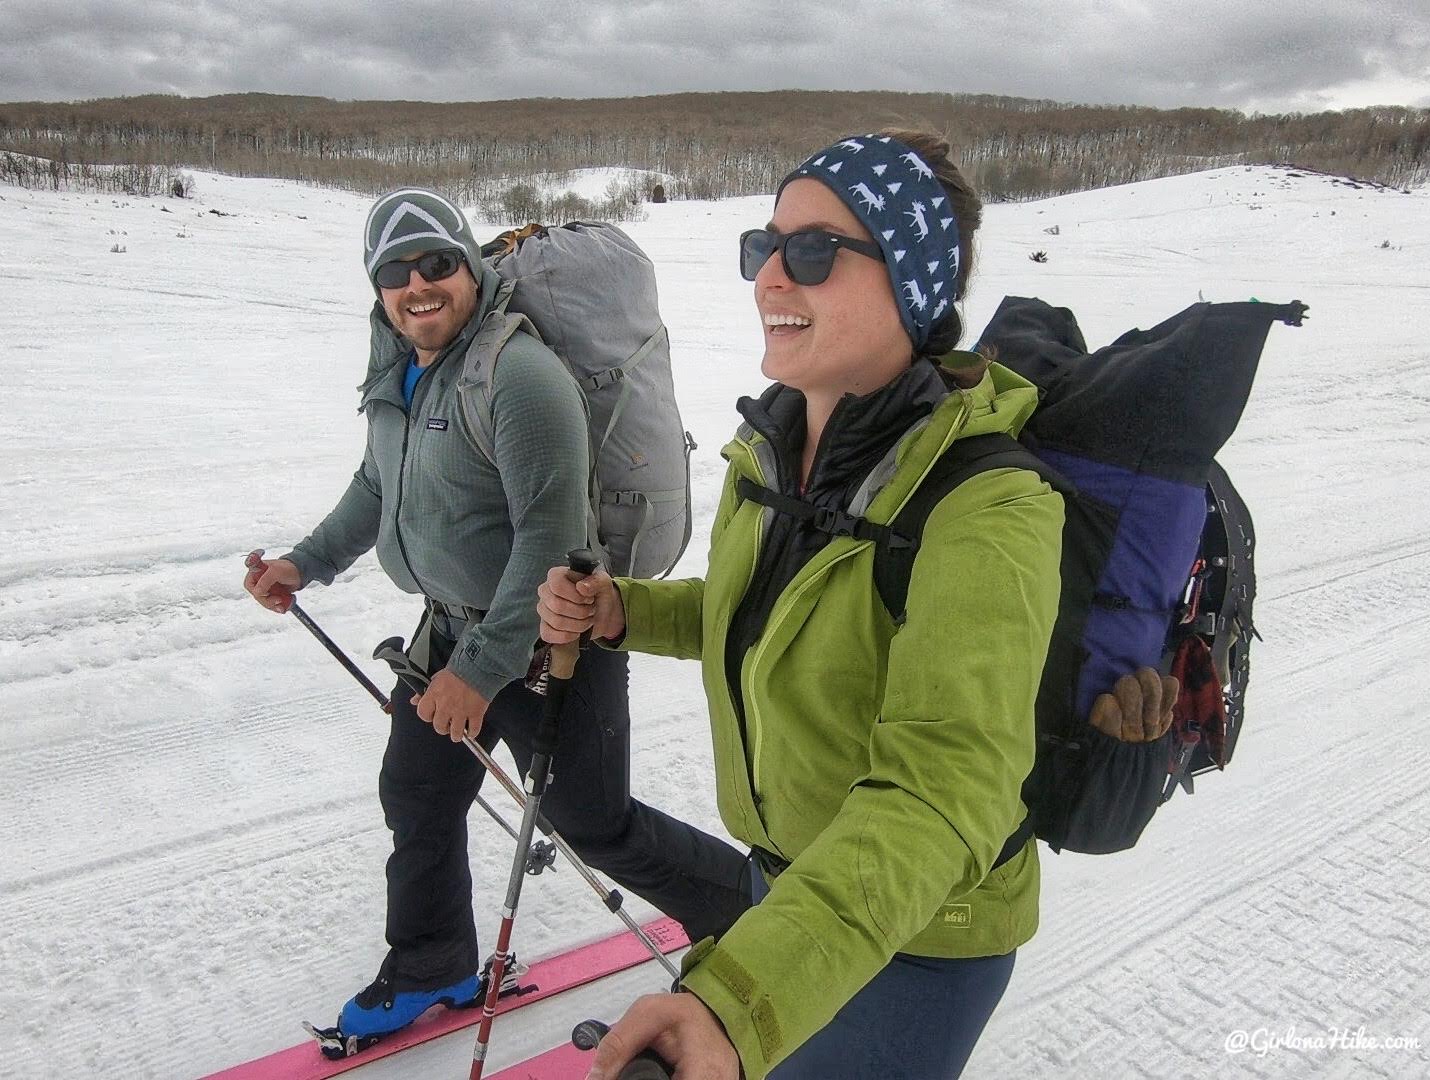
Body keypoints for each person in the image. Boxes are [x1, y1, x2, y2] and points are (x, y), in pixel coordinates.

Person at [537, 133, 1176, 1079]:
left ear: (914, 285)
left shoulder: (989, 504)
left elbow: (942, 788)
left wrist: (738, 1003)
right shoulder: (774, 450)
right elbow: (763, 607)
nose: (770, 279)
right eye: (765, 246)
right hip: (786, 880)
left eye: (813, 252)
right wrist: (625, 610)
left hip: (921, 930)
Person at [243, 188, 749, 1043]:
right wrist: (307, 561)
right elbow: (379, 487)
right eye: (396, 272)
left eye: (437, 262)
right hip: (447, 631)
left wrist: (478, 673)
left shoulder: (519, 375)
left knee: (595, 823)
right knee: (416, 790)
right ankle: (432, 960)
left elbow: (556, 539)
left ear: (470, 266)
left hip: (552, 642)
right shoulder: (400, 370)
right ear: (378, 289)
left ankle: (755, 916)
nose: (419, 285)